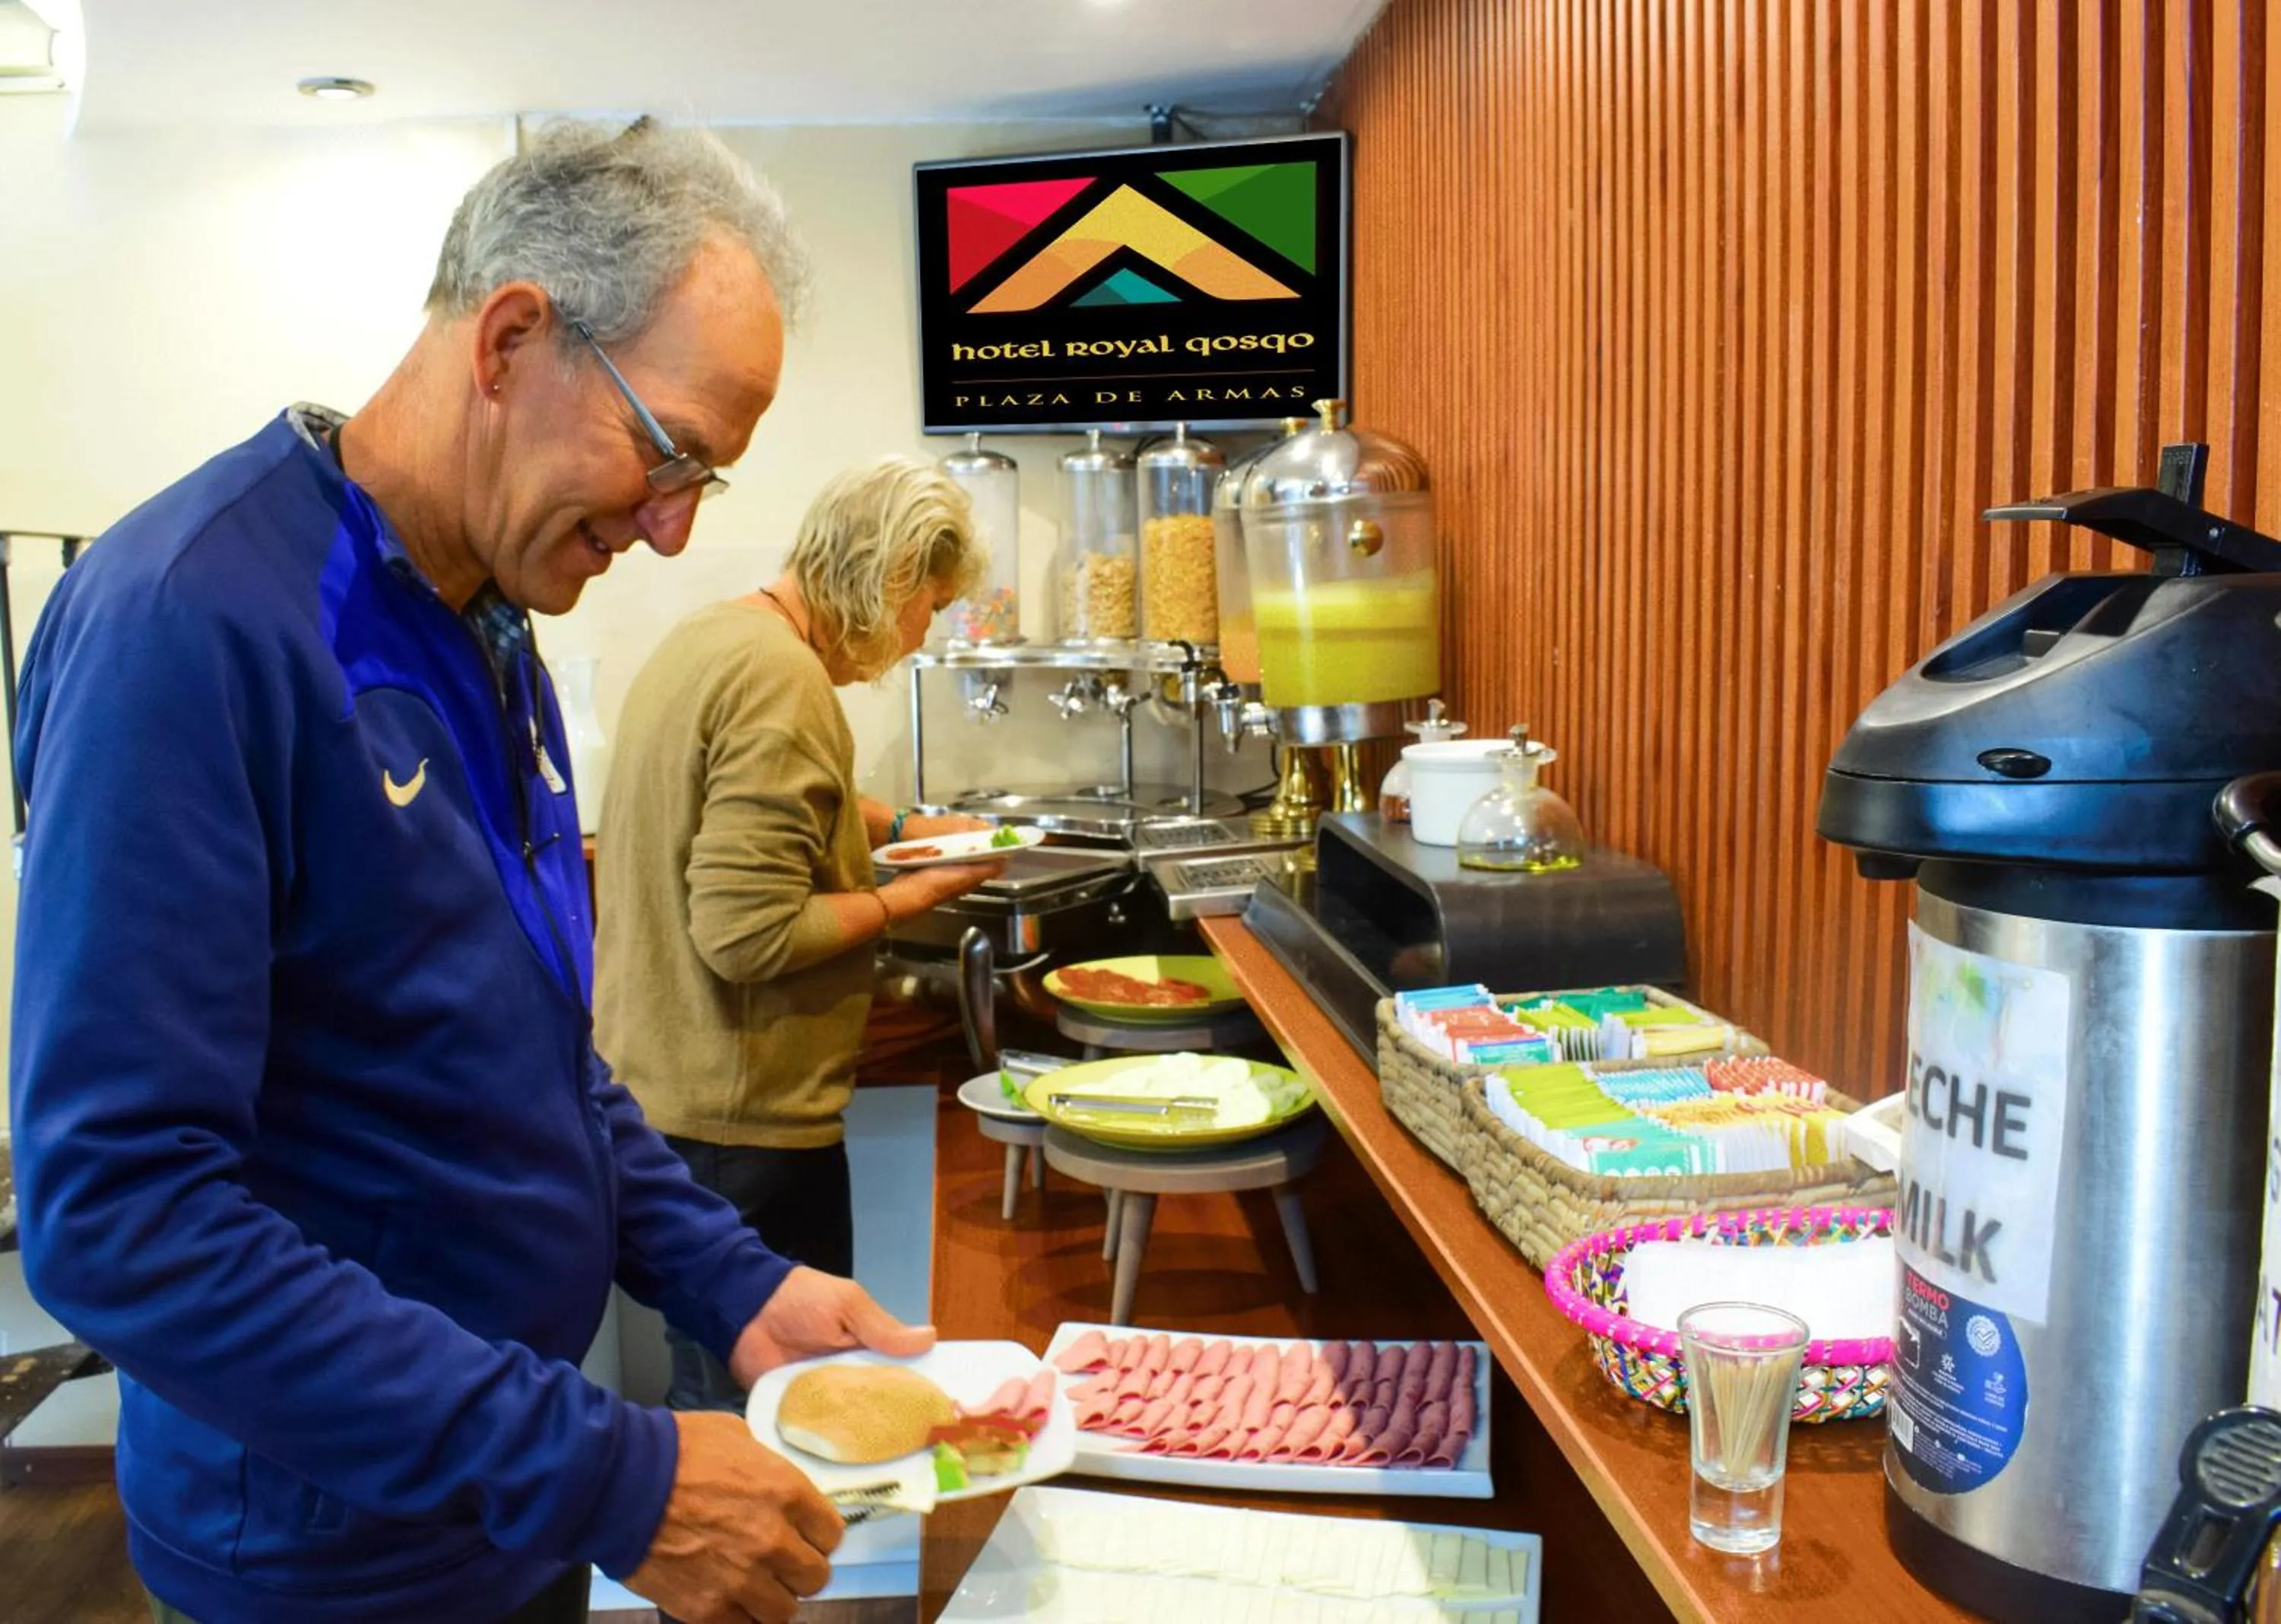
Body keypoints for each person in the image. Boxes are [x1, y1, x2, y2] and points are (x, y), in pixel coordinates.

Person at [8, 119, 925, 1624]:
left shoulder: (488, 627)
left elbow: (538, 1068)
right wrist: (610, 1477)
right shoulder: (191, 625)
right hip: (323, 1561)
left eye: (711, 478)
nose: (678, 524)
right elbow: (120, 1218)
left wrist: (732, 1280)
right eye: (668, 451)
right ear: (512, 338)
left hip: (500, 1511)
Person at [594, 456, 1001, 1414]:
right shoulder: (785, 683)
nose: (922, 634)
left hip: (667, 1096)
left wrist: (900, 829)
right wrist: (920, 893)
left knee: (721, 1383)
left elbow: (775, 802)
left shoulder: (720, 638)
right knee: (776, 1412)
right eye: (930, 606)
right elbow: (747, 933)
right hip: (743, 1126)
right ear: (888, 579)